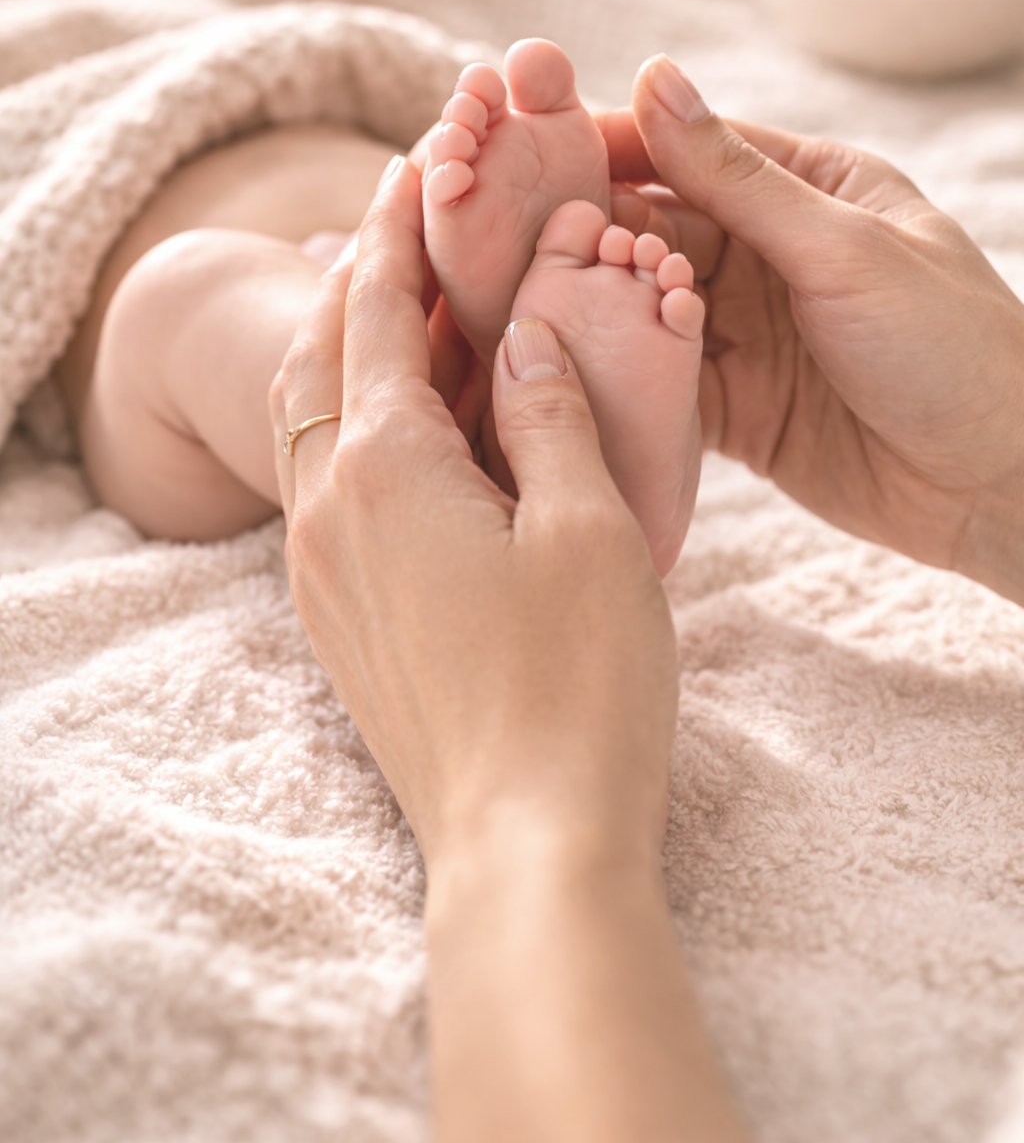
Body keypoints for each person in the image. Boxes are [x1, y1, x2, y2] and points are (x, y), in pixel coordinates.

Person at [272, 63, 1024, 1140]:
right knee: (270, 304)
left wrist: (514, 782)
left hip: (295, 223)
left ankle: (484, 369)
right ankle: (508, 366)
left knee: (211, 305)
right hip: (347, 201)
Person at [60, 39, 706, 578]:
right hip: (353, 262)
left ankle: (489, 353)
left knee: (192, 297)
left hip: (388, 245)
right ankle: (526, 411)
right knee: (181, 293)